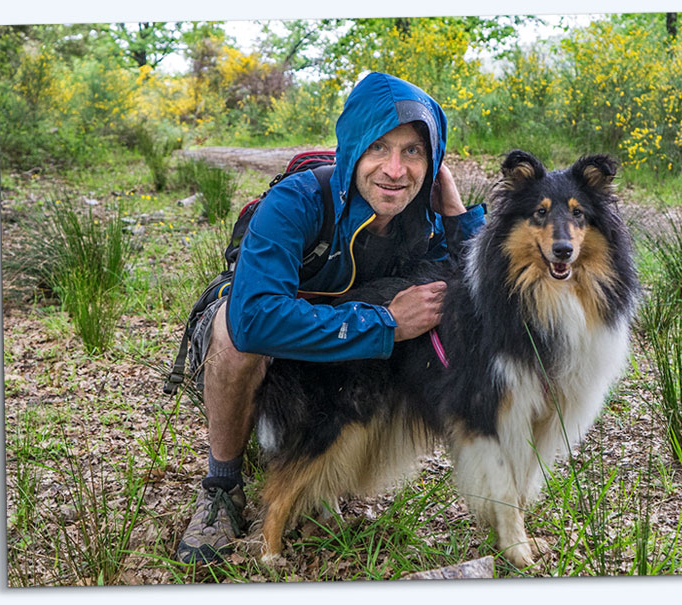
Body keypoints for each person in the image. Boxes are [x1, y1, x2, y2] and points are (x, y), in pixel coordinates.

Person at [175, 72, 486, 564]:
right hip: (267, 333)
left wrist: (454, 208)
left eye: (414, 152)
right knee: (234, 340)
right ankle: (222, 485)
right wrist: (386, 323)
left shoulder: (421, 211)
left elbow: (483, 292)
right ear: (353, 149)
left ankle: (326, 476)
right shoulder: (296, 201)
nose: (395, 169)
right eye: (379, 147)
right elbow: (255, 318)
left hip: (339, 345)